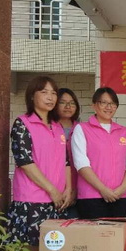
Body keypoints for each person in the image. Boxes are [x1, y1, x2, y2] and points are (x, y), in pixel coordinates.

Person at [7, 75, 71, 251]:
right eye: (44, 92)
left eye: (53, 93)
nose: (50, 97)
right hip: (31, 199)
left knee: (51, 250)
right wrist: (52, 189)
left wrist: (68, 189)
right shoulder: (22, 124)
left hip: (57, 201)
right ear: (32, 95)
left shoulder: (58, 127)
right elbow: (24, 161)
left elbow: (66, 161)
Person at [71, 87, 126, 219]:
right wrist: (103, 189)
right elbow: (81, 164)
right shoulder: (82, 129)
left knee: (117, 232)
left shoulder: (124, 131)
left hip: (120, 196)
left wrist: (123, 188)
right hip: (92, 197)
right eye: (104, 103)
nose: (108, 107)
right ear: (94, 105)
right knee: (93, 232)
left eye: (112, 103)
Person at [56, 87, 81, 217]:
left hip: (78, 187)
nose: (68, 106)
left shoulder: (82, 129)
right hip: (53, 188)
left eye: (72, 103)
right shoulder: (49, 127)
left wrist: (75, 189)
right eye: (62, 102)